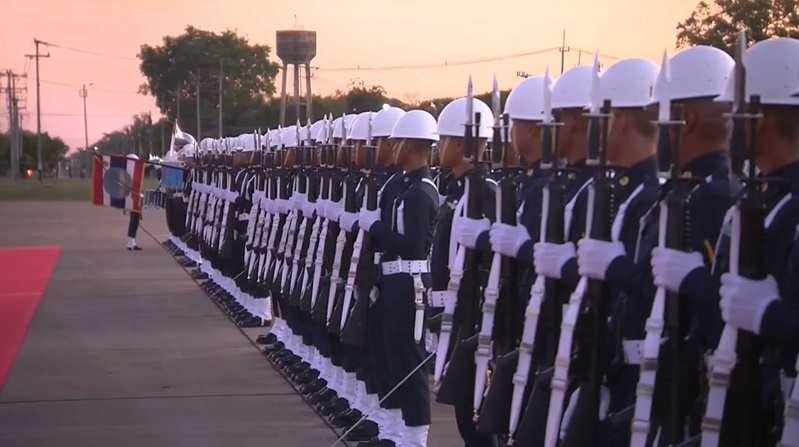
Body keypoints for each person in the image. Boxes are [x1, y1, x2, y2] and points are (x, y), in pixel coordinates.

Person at [652, 37, 799, 445]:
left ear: (760, 118)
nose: (727, 124)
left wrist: (768, 315)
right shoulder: (767, 199)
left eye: (733, 114)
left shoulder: (781, 205)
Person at [534, 57, 662, 444]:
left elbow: (644, 292)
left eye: (600, 117)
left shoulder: (650, 195)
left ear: (620, 119)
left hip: (630, 369)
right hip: (597, 358)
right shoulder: (620, 189)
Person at [357, 109, 440, 447]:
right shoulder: (406, 186)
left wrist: (374, 226)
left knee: (408, 363)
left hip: (410, 285)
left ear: (411, 145)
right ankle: (393, 432)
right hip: (392, 282)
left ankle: (415, 438)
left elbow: (413, 248)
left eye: (397, 142)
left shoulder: (420, 192)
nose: (391, 147)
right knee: (389, 358)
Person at [431, 93, 497, 447]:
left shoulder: (484, 193)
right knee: (463, 413)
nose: (439, 146)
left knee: (477, 417)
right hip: (457, 315)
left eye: (443, 139)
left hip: (475, 316)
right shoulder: (459, 188)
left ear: (460, 142)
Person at [125, 153, 143, 251]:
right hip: (133, 199)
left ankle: (131, 242)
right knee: (134, 221)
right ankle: (130, 243)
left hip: (135, 198)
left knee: (135, 221)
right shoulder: (130, 172)